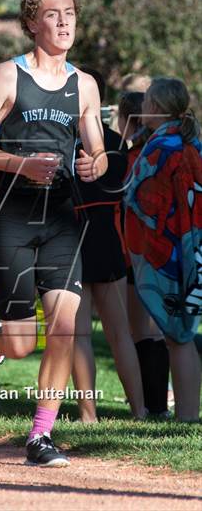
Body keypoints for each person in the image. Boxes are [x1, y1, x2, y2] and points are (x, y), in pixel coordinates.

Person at [0, 0, 108, 466]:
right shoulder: (8, 77)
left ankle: (40, 436)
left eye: (70, 13)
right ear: (31, 24)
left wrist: (95, 163)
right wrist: (19, 164)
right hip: (11, 218)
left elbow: (98, 148)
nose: (64, 21)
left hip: (62, 219)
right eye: (52, 14)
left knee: (64, 327)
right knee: (21, 342)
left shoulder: (84, 84)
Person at [124, 77, 201, 421]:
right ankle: (188, 415)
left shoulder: (158, 148)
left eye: (145, 104)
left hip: (169, 256)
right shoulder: (193, 143)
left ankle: (187, 417)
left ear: (154, 108)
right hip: (193, 250)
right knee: (183, 335)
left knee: (178, 337)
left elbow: (138, 204)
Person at [71, 69, 146, 422]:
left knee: (79, 335)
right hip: (108, 240)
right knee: (121, 335)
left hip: (72, 241)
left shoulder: (60, 140)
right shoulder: (119, 143)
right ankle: (140, 411)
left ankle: (89, 416)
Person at [118, 91, 170, 417]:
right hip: (165, 252)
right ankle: (158, 406)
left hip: (136, 251)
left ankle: (151, 406)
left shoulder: (133, 156)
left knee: (141, 331)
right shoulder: (163, 151)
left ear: (128, 122)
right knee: (157, 332)